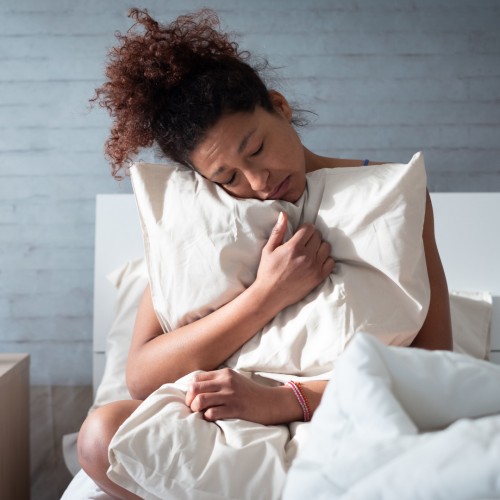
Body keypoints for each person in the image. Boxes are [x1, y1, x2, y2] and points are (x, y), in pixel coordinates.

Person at [78, 7, 452, 498]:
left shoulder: (389, 193)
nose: (257, 183)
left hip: (349, 409)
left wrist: (283, 401)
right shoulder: (199, 218)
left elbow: (435, 363)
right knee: (102, 435)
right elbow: (142, 377)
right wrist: (268, 294)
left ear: (279, 106)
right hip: (220, 418)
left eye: (255, 148)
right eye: (227, 177)